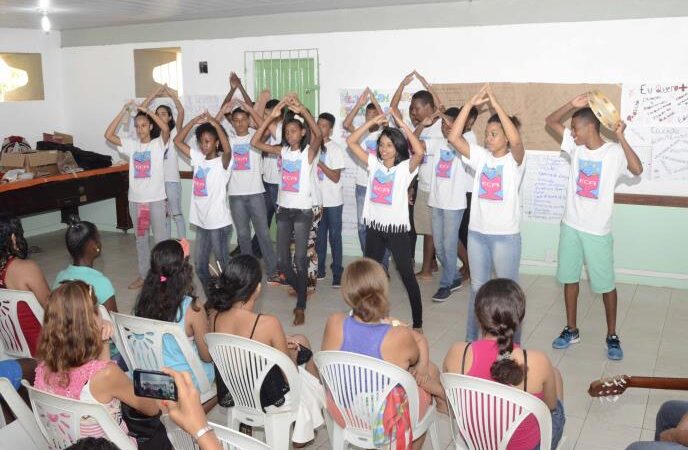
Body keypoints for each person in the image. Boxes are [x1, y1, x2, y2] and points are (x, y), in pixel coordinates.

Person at [545, 94, 643, 360]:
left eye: (575, 128)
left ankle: (612, 335)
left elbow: (637, 168)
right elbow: (550, 120)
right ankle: (571, 329)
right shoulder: (575, 147)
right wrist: (571, 105)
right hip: (571, 226)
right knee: (569, 279)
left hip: (597, 231)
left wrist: (621, 136)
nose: (572, 133)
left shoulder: (612, 152)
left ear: (590, 127)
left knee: (605, 285)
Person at [321, 257, 445, 450]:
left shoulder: (334, 322)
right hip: (384, 419)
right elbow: (414, 358)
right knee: (429, 372)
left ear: (347, 293)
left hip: (341, 411)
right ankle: (438, 405)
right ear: (383, 290)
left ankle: (443, 397)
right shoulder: (397, 335)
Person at [207, 254, 324, 446]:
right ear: (257, 288)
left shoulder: (214, 316)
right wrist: (292, 356)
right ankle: (304, 424)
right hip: (268, 395)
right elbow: (289, 377)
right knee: (303, 358)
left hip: (237, 388)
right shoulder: (268, 323)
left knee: (300, 340)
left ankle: (303, 424)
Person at [34, 281, 162, 446]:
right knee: (163, 420)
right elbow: (151, 410)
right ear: (90, 320)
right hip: (115, 446)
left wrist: (104, 341)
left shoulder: (43, 367)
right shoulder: (106, 375)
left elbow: (101, 380)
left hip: (74, 446)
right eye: (95, 308)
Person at [443, 278, 565, 450]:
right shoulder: (536, 361)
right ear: (519, 319)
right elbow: (551, 406)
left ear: (478, 317)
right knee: (556, 385)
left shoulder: (457, 353)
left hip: (476, 443)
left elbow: (452, 405)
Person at [447, 85, 526, 343]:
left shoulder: (515, 162)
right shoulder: (481, 157)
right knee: (477, 290)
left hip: (505, 237)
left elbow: (516, 141)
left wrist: (495, 104)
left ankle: (511, 346)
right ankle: (473, 341)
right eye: (487, 133)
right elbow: (454, 137)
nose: (488, 138)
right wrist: (469, 104)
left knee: (507, 293)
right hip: (477, 234)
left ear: (505, 136)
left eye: (494, 134)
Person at [346, 106, 425, 330]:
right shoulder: (374, 164)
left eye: (389, 145)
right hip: (375, 228)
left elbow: (418, 152)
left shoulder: (404, 169)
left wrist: (402, 124)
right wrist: (370, 125)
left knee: (407, 275)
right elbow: (351, 142)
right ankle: (362, 312)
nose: (384, 149)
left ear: (398, 147)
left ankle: (418, 322)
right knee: (369, 273)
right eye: (381, 145)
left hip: (397, 230)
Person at [251, 94, 322, 326]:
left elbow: (318, 134)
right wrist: (270, 117)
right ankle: (301, 289)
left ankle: (300, 305)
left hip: (302, 211)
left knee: (300, 260)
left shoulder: (308, 153)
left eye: (294, 131)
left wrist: (303, 110)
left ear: (302, 133)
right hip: (284, 211)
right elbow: (255, 143)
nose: (290, 134)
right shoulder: (283, 151)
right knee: (282, 263)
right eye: (287, 131)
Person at [105, 100, 171, 290]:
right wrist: (123, 110)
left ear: (150, 126)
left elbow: (165, 128)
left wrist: (147, 110)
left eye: (144, 125)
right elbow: (108, 135)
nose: (140, 129)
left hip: (156, 201)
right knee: (141, 241)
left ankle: (164, 278)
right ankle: (143, 276)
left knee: (161, 241)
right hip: (138, 203)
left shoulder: (158, 144)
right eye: (137, 126)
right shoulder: (131, 146)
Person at [133, 240, 215, 391]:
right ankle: (190, 413)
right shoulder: (192, 308)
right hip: (185, 383)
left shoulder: (144, 300)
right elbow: (207, 357)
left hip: (152, 379)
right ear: (184, 271)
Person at [174, 111, 233, 297]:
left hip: (219, 224)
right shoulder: (198, 159)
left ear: (216, 142)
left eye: (208, 141)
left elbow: (228, 149)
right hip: (202, 223)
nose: (203, 145)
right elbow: (177, 141)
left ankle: (231, 297)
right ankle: (213, 297)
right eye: (201, 141)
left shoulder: (222, 162)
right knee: (200, 266)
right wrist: (193, 121)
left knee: (224, 264)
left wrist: (215, 123)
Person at [391, 71, 443, 279]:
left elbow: (440, 106)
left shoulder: (441, 125)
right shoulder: (418, 127)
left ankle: (428, 268)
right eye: (412, 109)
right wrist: (402, 85)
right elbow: (394, 111)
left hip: (436, 186)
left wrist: (426, 83)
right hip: (421, 184)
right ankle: (430, 264)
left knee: (430, 230)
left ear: (429, 108)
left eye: (417, 108)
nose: (414, 111)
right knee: (424, 228)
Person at [224, 90, 278, 281]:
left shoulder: (256, 136)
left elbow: (265, 124)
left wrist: (249, 107)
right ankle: (248, 273)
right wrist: (223, 109)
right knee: (243, 236)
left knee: (263, 233)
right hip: (236, 195)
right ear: (231, 122)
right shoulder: (228, 141)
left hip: (256, 194)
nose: (239, 123)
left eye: (243, 119)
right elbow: (212, 128)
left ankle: (272, 271)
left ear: (248, 121)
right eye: (235, 120)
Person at [341, 88, 390, 269]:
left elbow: (384, 119)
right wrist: (359, 104)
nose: (371, 119)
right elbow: (346, 124)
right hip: (362, 186)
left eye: (374, 115)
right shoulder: (360, 134)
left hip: (381, 187)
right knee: (363, 227)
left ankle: (382, 266)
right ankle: (370, 262)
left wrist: (375, 102)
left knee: (381, 228)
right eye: (368, 115)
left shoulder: (385, 134)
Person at [426, 107, 468, 302]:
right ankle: (455, 277)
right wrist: (421, 125)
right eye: (442, 124)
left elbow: (456, 137)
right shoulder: (438, 144)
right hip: (436, 202)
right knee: (440, 247)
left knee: (449, 246)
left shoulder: (466, 142)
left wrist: (445, 117)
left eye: (448, 123)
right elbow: (415, 144)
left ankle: (446, 285)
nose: (444, 127)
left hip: (454, 204)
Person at [0, 213, 50, 356]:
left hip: (13, 349)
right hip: (43, 350)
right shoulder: (25, 268)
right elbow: (53, 307)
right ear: (13, 237)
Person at [141, 84, 187, 239]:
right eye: (157, 114)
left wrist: (172, 94)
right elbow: (141, 110)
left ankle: (183, 247)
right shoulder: (153, 139)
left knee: (177, 214)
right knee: (164, 217)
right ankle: (167, 248)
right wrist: (154, 93)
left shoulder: (174, 133)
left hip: (172, 181)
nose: (160, 116)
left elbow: (181, 111)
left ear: (169, 117)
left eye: (163, 114)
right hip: (158, 183)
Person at [54, 215, 118, 312]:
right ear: (94, 247)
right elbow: (114, 321)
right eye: (98, 239)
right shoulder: (101, 283)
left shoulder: (60, 277)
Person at [314, 112, 346, 287]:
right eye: (318, 124)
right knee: (319, 238)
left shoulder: (335, 149)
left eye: (324, 125)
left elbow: (335, 177)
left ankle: (337, 272)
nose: (320, 128)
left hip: (333, 202)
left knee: (335, 237)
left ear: (330, 129)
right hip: (318, 201)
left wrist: (320, 163)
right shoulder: (311, 147)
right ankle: (320, 269)